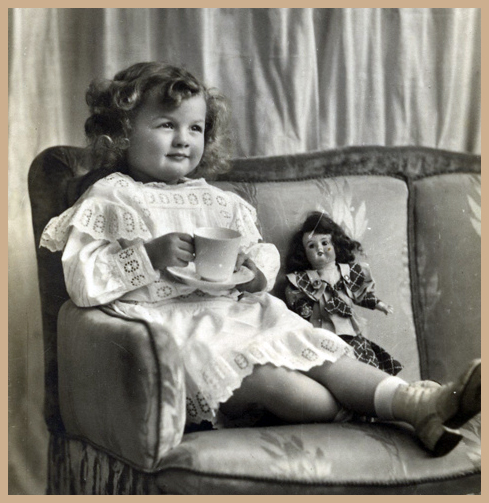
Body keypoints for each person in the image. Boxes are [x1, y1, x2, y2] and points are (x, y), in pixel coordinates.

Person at [40, 62, 480, 457]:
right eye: (165, 125)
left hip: (243, 317)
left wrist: (255, 275)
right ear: (122, 134)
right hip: (178, 334)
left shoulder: (217, 200)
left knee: (329, 355)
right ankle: (376, 412)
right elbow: (81, 280)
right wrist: (148, 257)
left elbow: (260, 253)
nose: (182, 139)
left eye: (194, 128)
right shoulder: (112, 197)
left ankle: (421, 404)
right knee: (307, 396)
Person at [285, 212, 402, 376]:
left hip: (350, 330)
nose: (319, 249)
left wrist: (379, 304)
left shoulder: (348, 272)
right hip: (323, 333)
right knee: (338, 370)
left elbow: (360, 294)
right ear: (304, 253)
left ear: (335, 244)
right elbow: (297, 300)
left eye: (324, 242)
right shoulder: (304, 279)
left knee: (365, 363)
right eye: (311, 246)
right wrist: (304, 309)